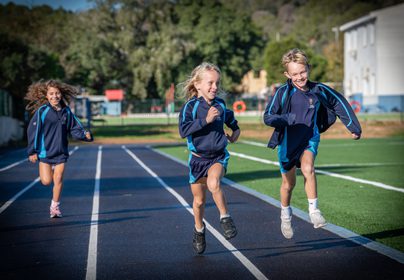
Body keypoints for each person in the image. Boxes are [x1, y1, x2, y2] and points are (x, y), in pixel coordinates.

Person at [263, 49, 361, 239]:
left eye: (303, 72)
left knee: (308, 167)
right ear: (287, 75)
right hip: (288, 142)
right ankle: (285, 215)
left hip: (310, 138)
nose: (300, 77)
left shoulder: (319, 90)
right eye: (295, 74)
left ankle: (314, 211)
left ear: (308, 68)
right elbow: (268, 117)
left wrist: (353, 127)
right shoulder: (283, 93)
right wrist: (285, 119)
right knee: (288, 184)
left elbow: (339, 103)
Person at [178, 62, 241, 254]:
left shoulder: (220, 105)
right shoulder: (190, 107)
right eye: (210, 83)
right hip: (197, 160)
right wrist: (206, 120)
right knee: (198, 202)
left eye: (217, 83)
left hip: (218, 157)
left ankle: (225, 217)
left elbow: (231, 121)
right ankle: (199, 229)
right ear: (197, 85)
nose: (215, 87)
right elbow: (183, 130)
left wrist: (236, 131)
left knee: (214, 183)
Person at [25, 79, 93, 218]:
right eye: (51, 93)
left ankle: (55, 206)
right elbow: (33, 131)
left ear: (61, 95)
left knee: (59, 178)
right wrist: (32, 151)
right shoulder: (42, 111)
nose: (54, 96)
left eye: (57, 93)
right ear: (47, 96)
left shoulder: (66, 112)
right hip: (45, 152)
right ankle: (51, 182)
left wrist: (85, 136)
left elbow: (74, 128)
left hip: (61, 152)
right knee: (46, 181)